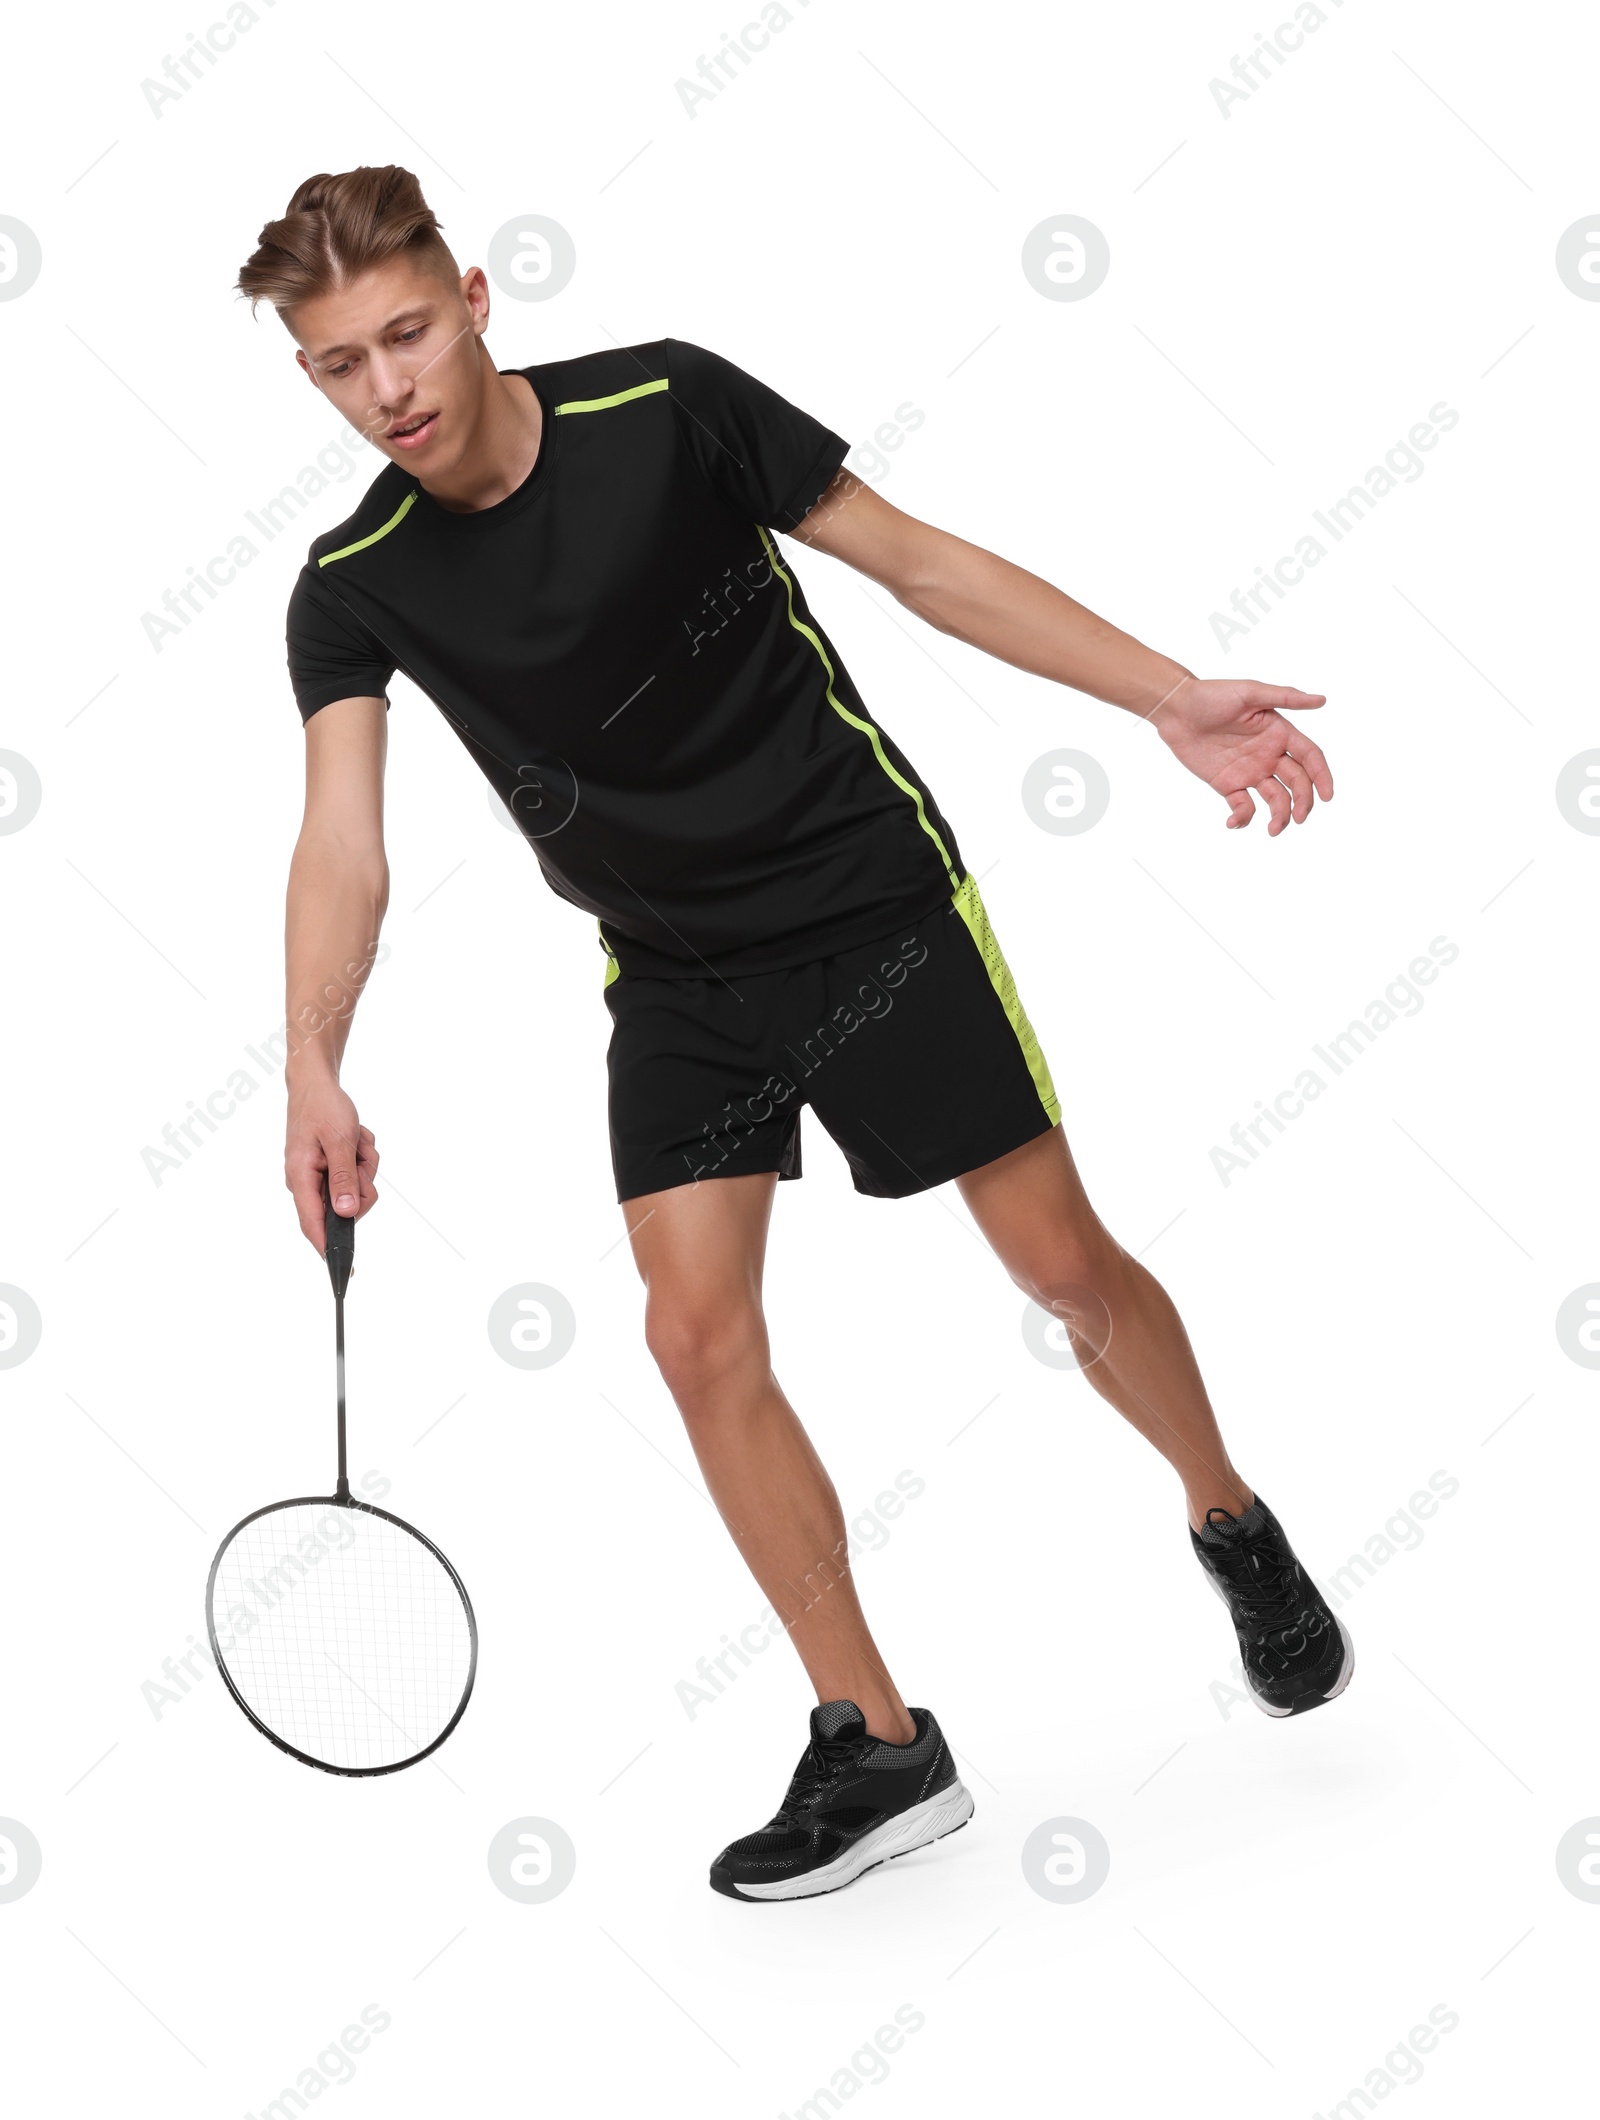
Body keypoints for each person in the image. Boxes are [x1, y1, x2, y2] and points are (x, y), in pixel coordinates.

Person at [239, 164, 1352, 1906]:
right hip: (671, 972)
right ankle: (880, 1741)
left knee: (1062, 1272)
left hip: (868, 907)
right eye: (333, 365)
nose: (384, 389)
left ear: (471, 292)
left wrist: (1162, 695)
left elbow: (917, 565)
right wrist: (311, 1053)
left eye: (401, 333)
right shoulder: (353, 581)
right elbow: (343, 841)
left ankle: (1225, 1511)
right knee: (696, 1339)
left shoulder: (667, 404)